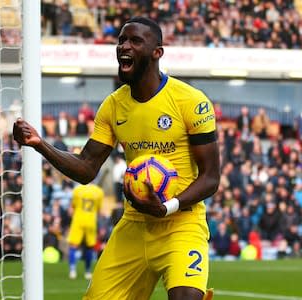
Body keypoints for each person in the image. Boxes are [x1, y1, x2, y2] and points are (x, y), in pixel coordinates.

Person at [13, 17, 220, 300]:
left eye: (135, 41)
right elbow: (86, 168)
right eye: (122, 40)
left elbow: (211, 177)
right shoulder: (112, 106)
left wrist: (167, 207)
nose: (124, 46)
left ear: (157, 52)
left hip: (181, 223)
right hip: (133, 224)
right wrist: (39, 144)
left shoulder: (190, 101)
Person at [66, 183, 103, 280]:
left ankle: (72, 270)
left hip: (78, 219)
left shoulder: (77, 190)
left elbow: (72, 207)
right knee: (90, 247)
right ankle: (87, 271)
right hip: (91, 220)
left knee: (73, 245)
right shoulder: (98, 192)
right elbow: (99, 210)